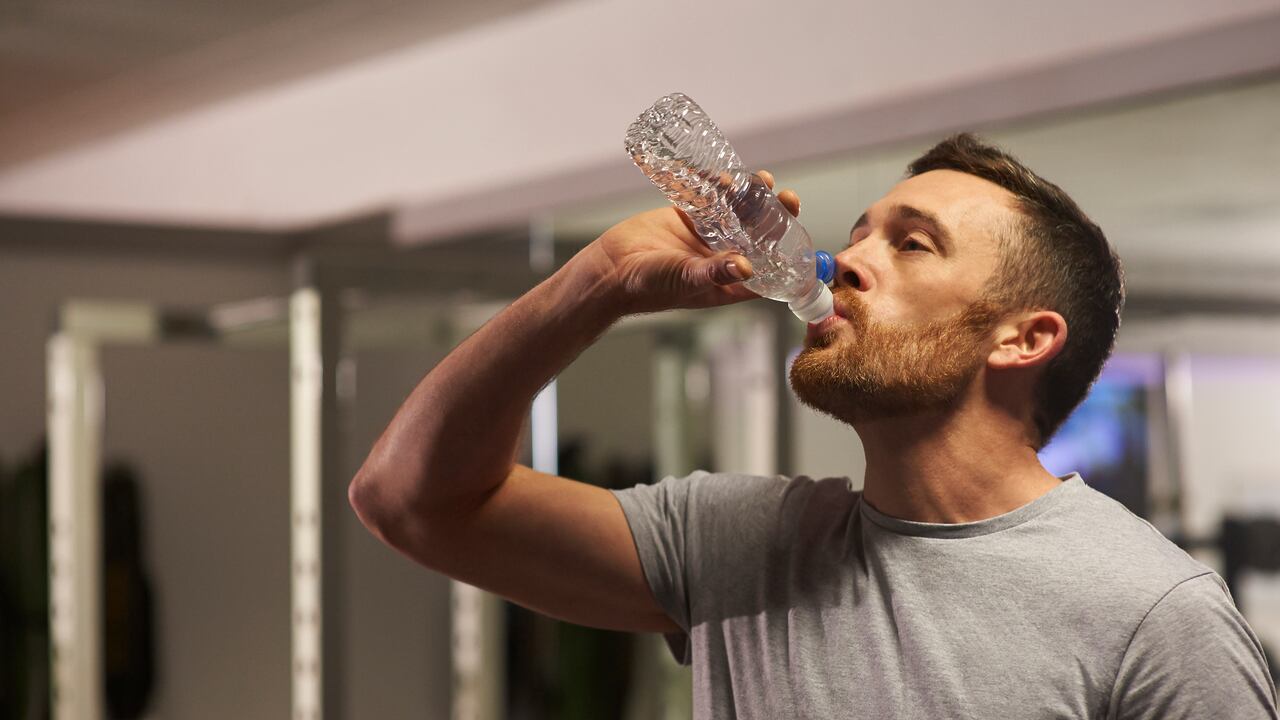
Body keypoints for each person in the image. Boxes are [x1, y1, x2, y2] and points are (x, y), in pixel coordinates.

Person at [349, 134, 1278, 718]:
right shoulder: (742, 543)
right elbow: (407, 499)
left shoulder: (1153, 619)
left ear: (1023, 338)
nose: (846, 261)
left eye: (911, 243)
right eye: (860, 232)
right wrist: (594, 284)